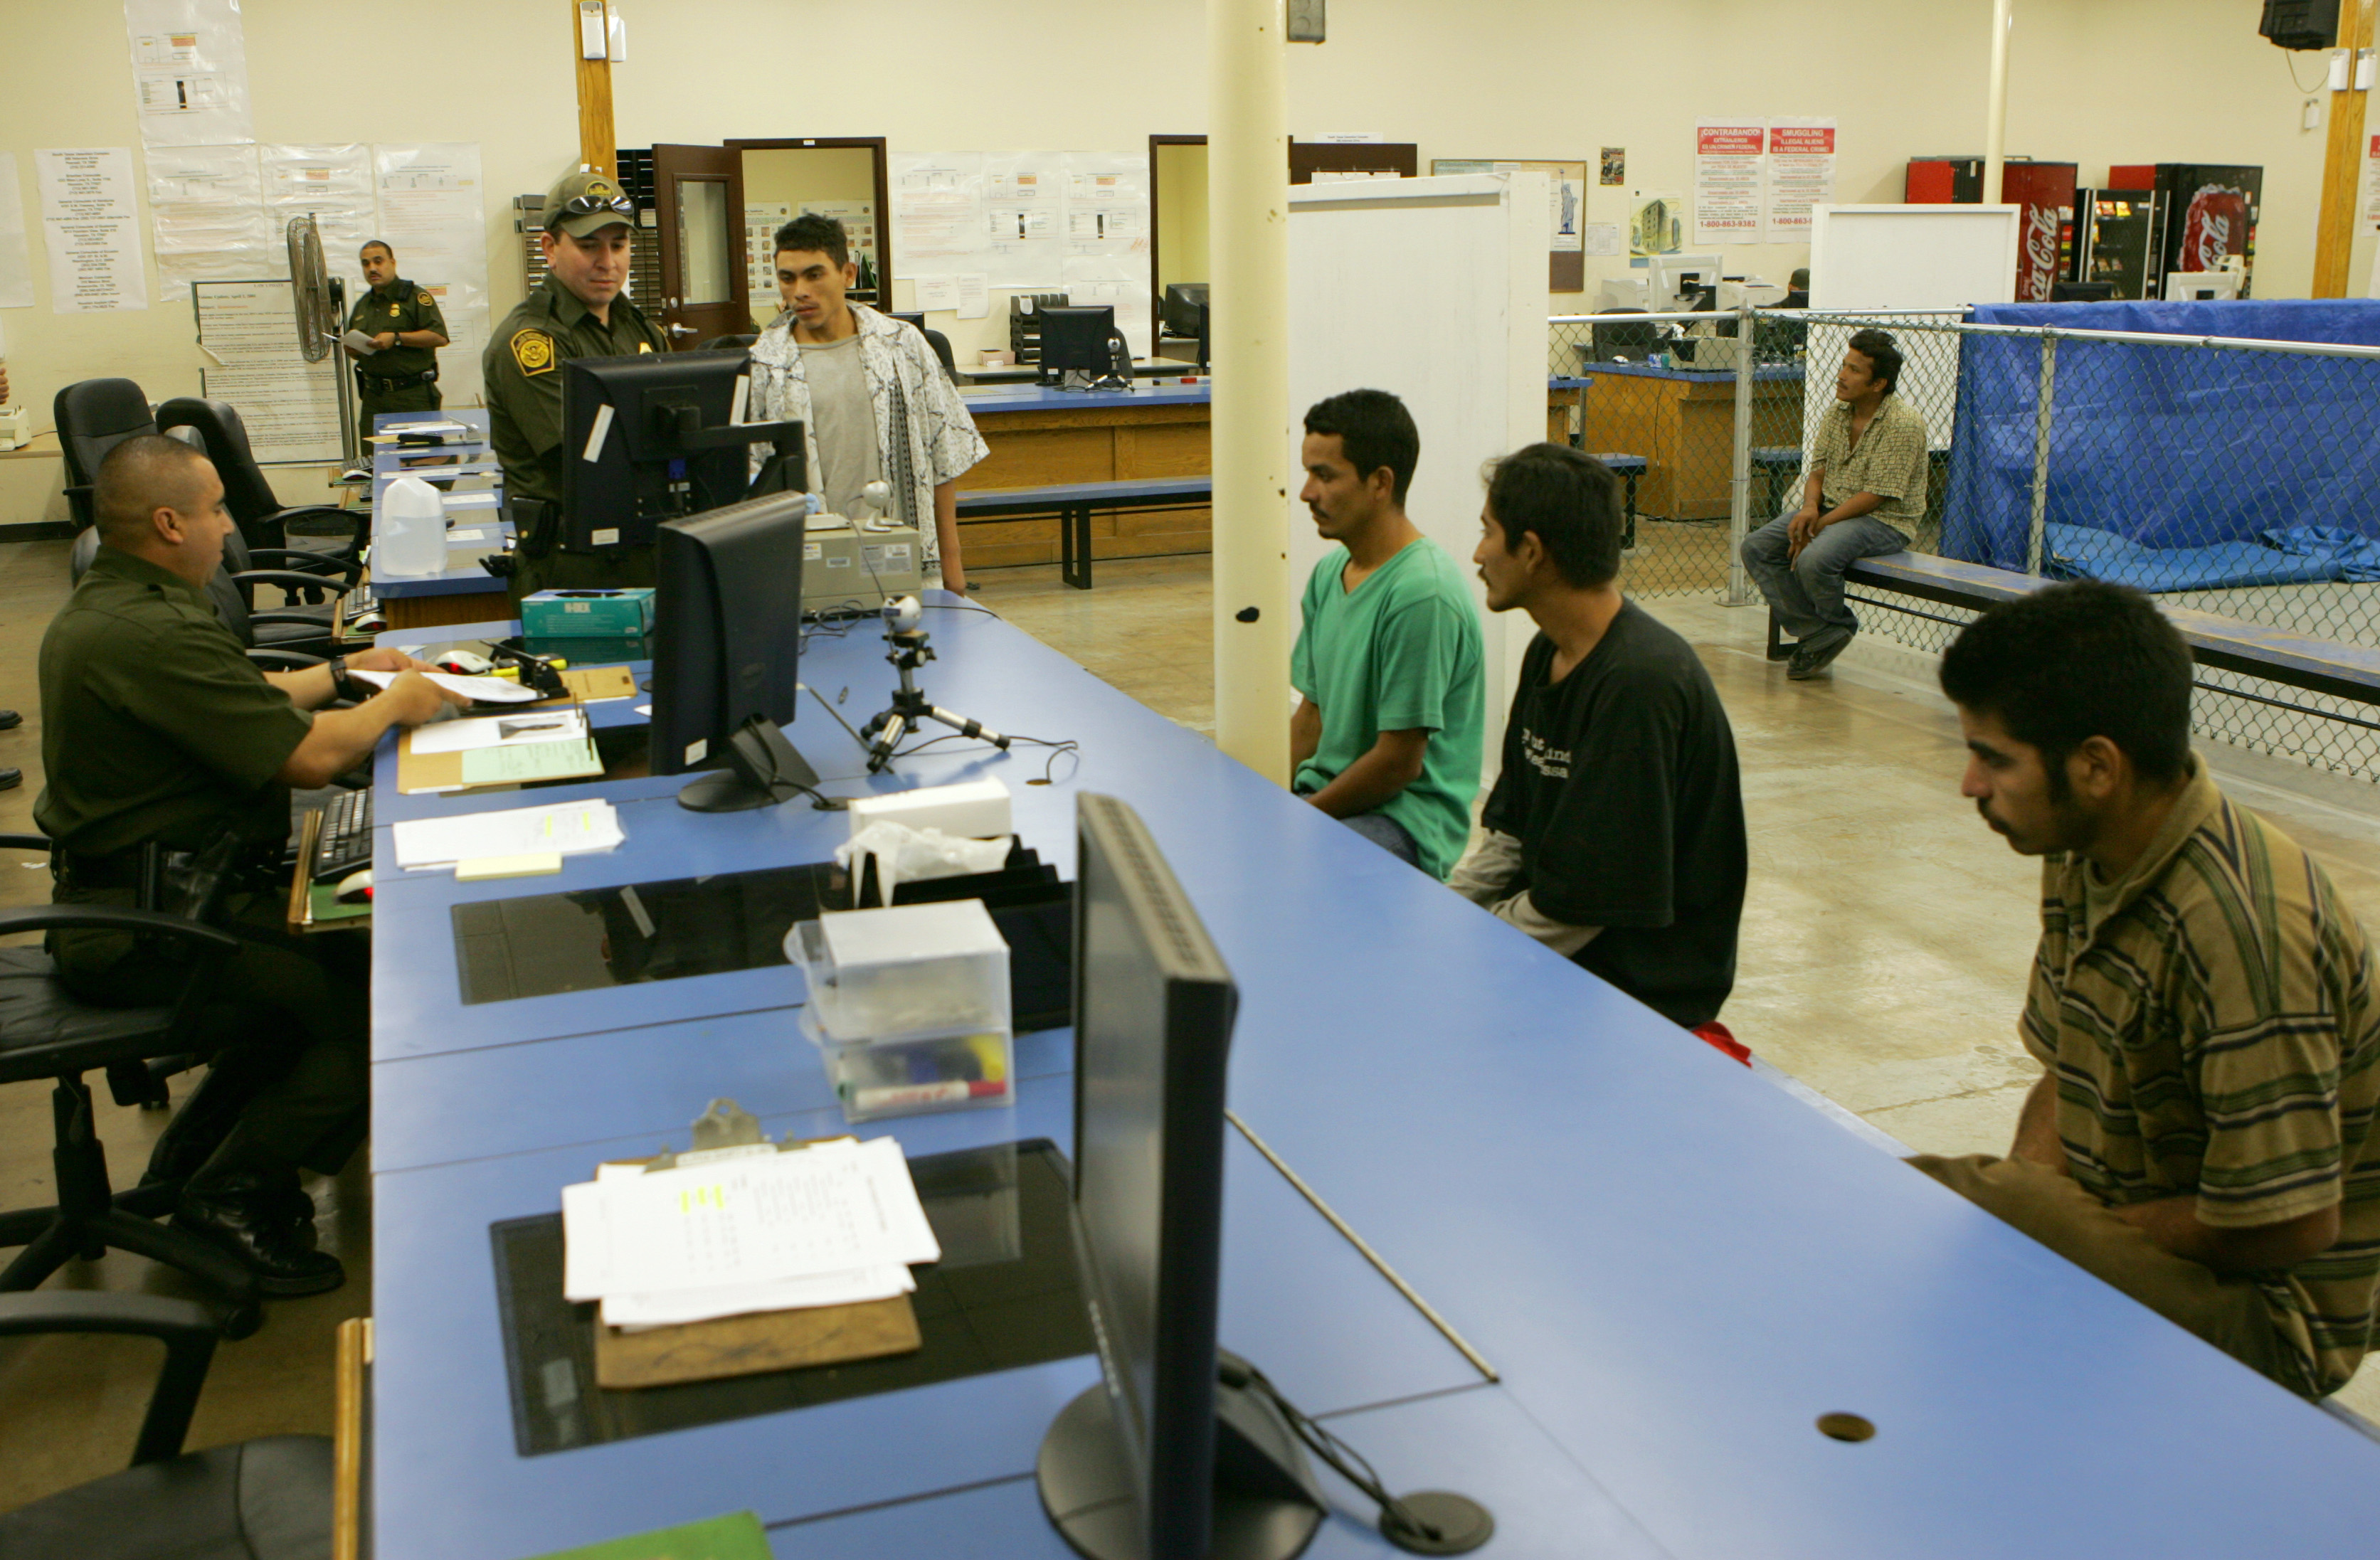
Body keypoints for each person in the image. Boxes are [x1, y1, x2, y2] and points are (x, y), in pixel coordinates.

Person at [1918, 580, 2380, 1399]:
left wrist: (2053, 1226)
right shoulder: (2085, 846)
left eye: (1994, 759)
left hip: (2266, 1316)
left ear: (2098, 766)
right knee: (1976, 1217)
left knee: (1948, 1206)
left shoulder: (2245, 930)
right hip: (2144, 1224)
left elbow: (2294, 1223)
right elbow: (2066, 1067)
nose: (1970, 786)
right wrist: (2037, 1204)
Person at [36, 435, 464, 1294]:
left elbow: (240, 695)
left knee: (321, 980)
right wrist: (401, 703)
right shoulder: (149, 631)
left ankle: (201, 1155)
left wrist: (345, 669)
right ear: (168, 522)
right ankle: (230, 1194)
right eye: (216, 510)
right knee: (382, 1004)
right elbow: (308, 761)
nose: (228, 529)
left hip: (164, 889)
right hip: (151, 924)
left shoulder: (130, 600)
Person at [1449, 444, 1747, 1028]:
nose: (1478, 553)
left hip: (1635, 986)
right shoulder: (1549, 651)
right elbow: (1513, 833)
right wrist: (1445, 915)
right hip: (1559, 943)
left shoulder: (1639, 683)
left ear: (1532, 552)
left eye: (1488, 533)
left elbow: (1587, 904)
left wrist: (1469, 948)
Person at [1286, 389, 1483, 877]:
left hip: (1399, 820)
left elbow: (1397, 764)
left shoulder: (1421, 594)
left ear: (1380, 483)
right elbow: (1309, 718)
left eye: (1325, 475)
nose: (1306, 492)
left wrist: (1293, 823)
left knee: (1288, 874)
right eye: (1308, 472)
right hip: (1328, 797)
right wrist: (1257, 799)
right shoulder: (1329, 574)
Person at [746, 213, 988, 592]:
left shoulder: (901, 345)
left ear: (848, 274)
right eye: (787, 278)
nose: (799, 292)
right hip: (809, 562)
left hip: (898, 551)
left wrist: (951, 561)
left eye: (814, 274)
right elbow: (753, 473)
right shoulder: (765, 361)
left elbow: (945, 454)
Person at [483, 170, 670, 603]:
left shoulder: (640, 330)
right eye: (589, 246)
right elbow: (587, 458)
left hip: (648, 553)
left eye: (619, 245)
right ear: (549, 248)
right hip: (573, 566)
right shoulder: (532, 341)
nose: (608, 262)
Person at [1739, 328, 1927, 681]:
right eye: (1844, 365)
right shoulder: (1837, 412)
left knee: (1814, 559)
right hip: (1831, 510)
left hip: (1884, 521)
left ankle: (1834, 625)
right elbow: (1818, 471)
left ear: (1878, 384)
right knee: (1757, 546)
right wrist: (1810, 510)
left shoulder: (1903, 424)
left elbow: (1877, 496)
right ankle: (1818, 632)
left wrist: (1819, 526)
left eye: (1855, 370)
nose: (1841, 375)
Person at [344, 240, 449, 449]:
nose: (372, 268)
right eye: (366, 264)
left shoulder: (414, 297)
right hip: (374, 397)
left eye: (378, 261)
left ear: (392, 262)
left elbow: (439, 336)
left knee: (420, 461)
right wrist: (353, 350)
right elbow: (359, 349)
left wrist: (398, 337)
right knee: (373, 464)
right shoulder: (363, 305)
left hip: (412, 396)